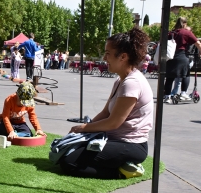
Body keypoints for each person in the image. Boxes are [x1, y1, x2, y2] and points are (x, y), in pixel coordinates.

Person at [60, 27, 154, 179]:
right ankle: (119, 164)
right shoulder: (120, 80)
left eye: (108, 53)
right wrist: (81, 131)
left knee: (69, 162)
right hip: (113, 139)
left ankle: (123, 171)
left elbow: (113, 123)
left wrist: (84, 128)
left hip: (131, 145)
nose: (104, 58)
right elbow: (105, 113)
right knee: (68, 149)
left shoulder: (132, 83)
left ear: (123, 57)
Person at [163, 17, 201, 104]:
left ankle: (167, 96)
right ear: (184, 23)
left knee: (169, 78)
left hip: (171, 57)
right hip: (182, 55)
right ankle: (183, 93)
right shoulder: (186, 32)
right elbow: (198, 43)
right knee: (186, 75)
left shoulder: (171, 33)